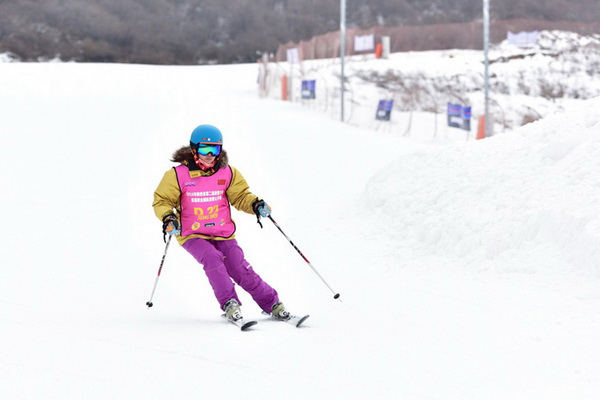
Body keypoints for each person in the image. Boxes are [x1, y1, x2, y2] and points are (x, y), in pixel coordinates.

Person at [152, 124, 290, 324]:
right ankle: (229, 303)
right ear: (193, 149)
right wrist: (168, 218)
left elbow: (241, 196)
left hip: (223, 232)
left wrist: (255, 204)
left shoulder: (227, 173)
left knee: (238, 267)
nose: (209, 155)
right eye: (204, 149)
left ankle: (273, 304)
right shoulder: (177, 175)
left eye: (214, 149)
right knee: (212, 257)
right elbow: (162, 200)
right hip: (192, 234)